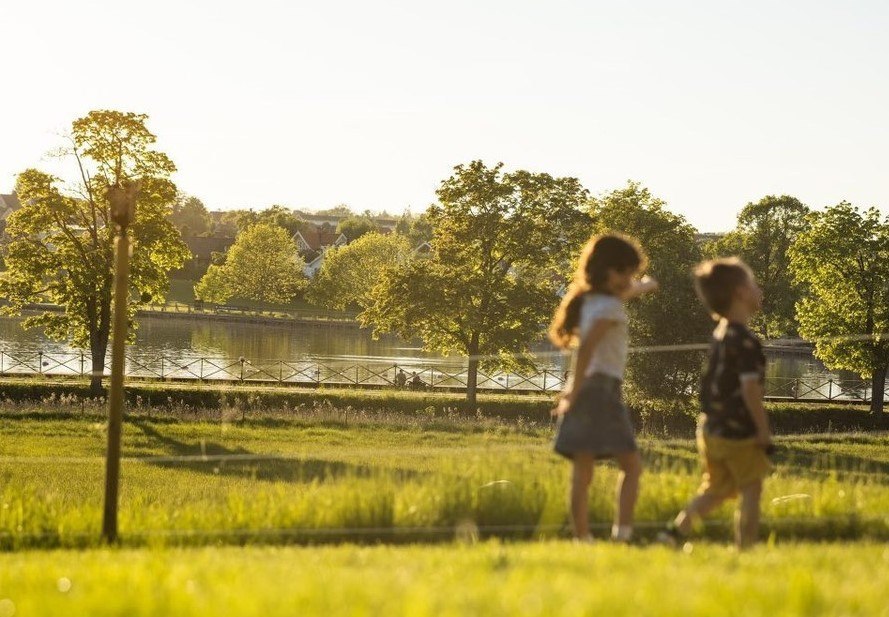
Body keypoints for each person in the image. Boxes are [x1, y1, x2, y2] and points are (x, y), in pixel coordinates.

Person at [550, 233, 658, 543]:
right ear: (605, 270)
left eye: (631, 273)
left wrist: (647, 284)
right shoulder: (608, 307)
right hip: (600, 390)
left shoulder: (592, 300)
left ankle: (582, 537)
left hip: (587, 387)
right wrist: (573, 391)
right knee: (632, 466)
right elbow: (585, 351)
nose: (629, 279)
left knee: (583, 471)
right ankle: (621, 536)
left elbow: (628, 291)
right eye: (624, 272)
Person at [658, 258, 772, 550]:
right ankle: (746, 548)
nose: (760, 289)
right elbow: (750, 390)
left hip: (710, 428)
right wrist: (762, 430)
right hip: (738, 430)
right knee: (751, 487)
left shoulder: (720, 334)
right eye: (753, 283)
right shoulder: (746, 340)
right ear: (740, 293)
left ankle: (674, 533)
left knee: (716, 490)